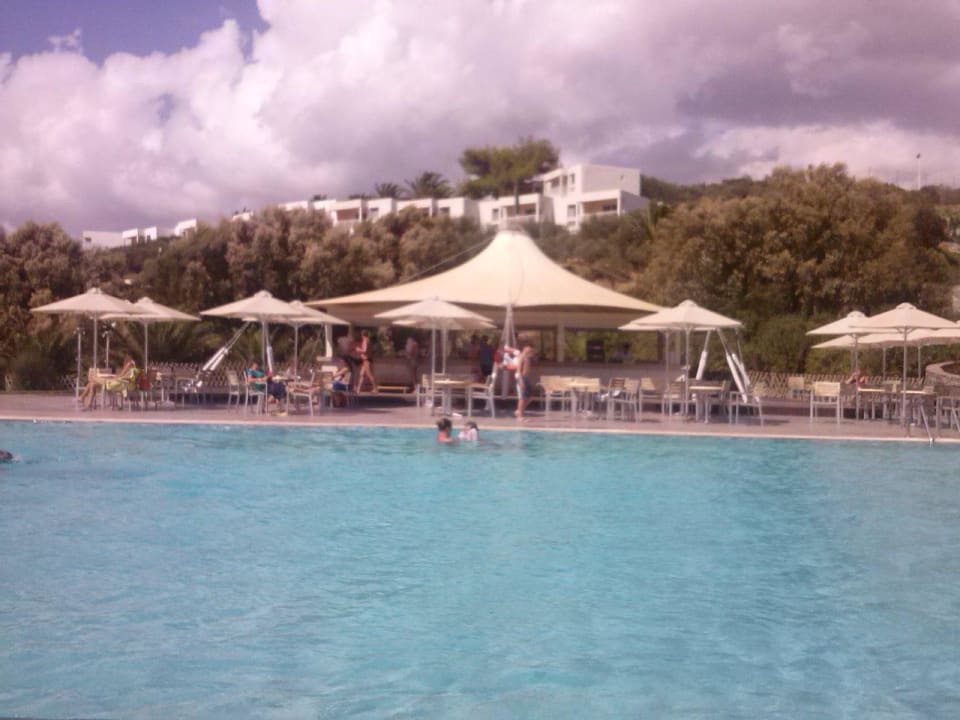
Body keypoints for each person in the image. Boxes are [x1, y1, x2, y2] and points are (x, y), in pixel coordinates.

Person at [514, 343, 534, 418]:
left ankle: (519, 411)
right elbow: (518, 370)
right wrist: (520, 380)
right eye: (529, 348)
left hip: (526, 378)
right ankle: (520, 416)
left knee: (529, 397)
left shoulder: (527, 357)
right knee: (522, 397)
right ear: (525, 347)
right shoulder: (521, 357)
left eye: (531, 349)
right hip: (521, 377)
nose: (530, 350)